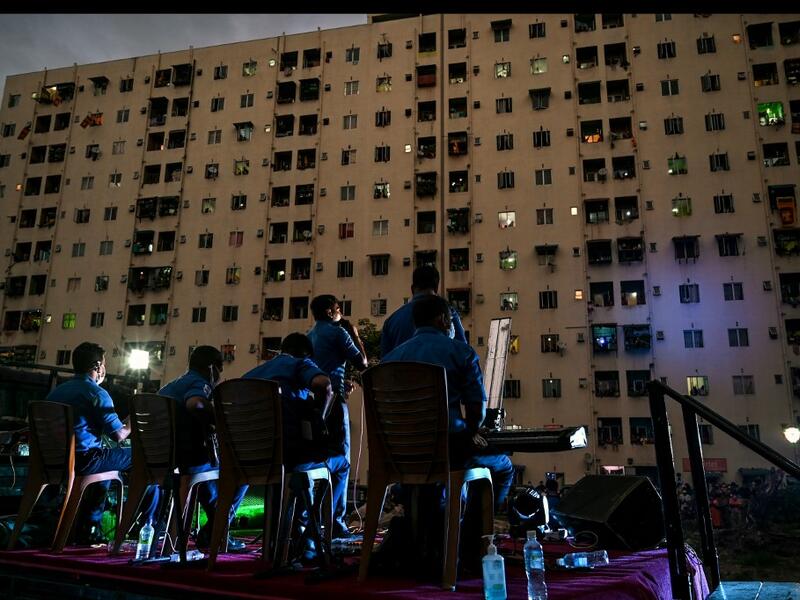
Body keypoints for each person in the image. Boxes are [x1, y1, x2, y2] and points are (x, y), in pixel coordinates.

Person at [382, 294, 514, 511]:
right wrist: (472, 431)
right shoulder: (461, 352)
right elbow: (476, 410)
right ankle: (476, 536)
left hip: (401, 452)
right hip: (448, 450)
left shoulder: (390, 360)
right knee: (504, 468)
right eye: (452, 321)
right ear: (443, 319)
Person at [242, 333, 348, 558]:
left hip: (254, 455)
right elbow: (324, 384)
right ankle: (311, 533)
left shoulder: (250, 375)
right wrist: (320, 416)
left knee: (303, 466)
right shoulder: (300, 363)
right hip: (289, 455)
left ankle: (290, 532)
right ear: (306, 353)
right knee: (341, 464)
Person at [46, 342, 159, 545]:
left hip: (55, 461)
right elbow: (119, 434)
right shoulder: (96, 394)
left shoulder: (57, 392)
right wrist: (138, 413)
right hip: (84, 460)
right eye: (104, 364)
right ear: (98, 366)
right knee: (143, 457)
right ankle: (147, 526)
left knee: (107, 460)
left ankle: (91, 527)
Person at [158, 345, 247, 552]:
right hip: (188, 457)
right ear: (211, 368)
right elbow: (195, 404)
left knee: (210, 478)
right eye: (220, 369)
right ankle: (217, 531)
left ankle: (213, 532)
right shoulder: (200, 383)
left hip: (166, 455)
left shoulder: (172, 385)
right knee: (242, 472)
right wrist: (220, 419)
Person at [307, 294, 368, 538]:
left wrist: (343, 383)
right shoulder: (338, 331)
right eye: (338, 309)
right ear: (333, 311)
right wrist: (354, 333)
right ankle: (335, 523)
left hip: (314, 406)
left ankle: (316, 520)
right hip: (334, 406)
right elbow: (362, 362)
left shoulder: (311, 336)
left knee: (320, 461)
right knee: (342, 463)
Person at [380, 265, 466, 357]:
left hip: (403, 370)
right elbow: (464, 352)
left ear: (412, 289)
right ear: (436, 288)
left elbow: (385, 364)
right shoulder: (449, 314)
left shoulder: (392, 321)